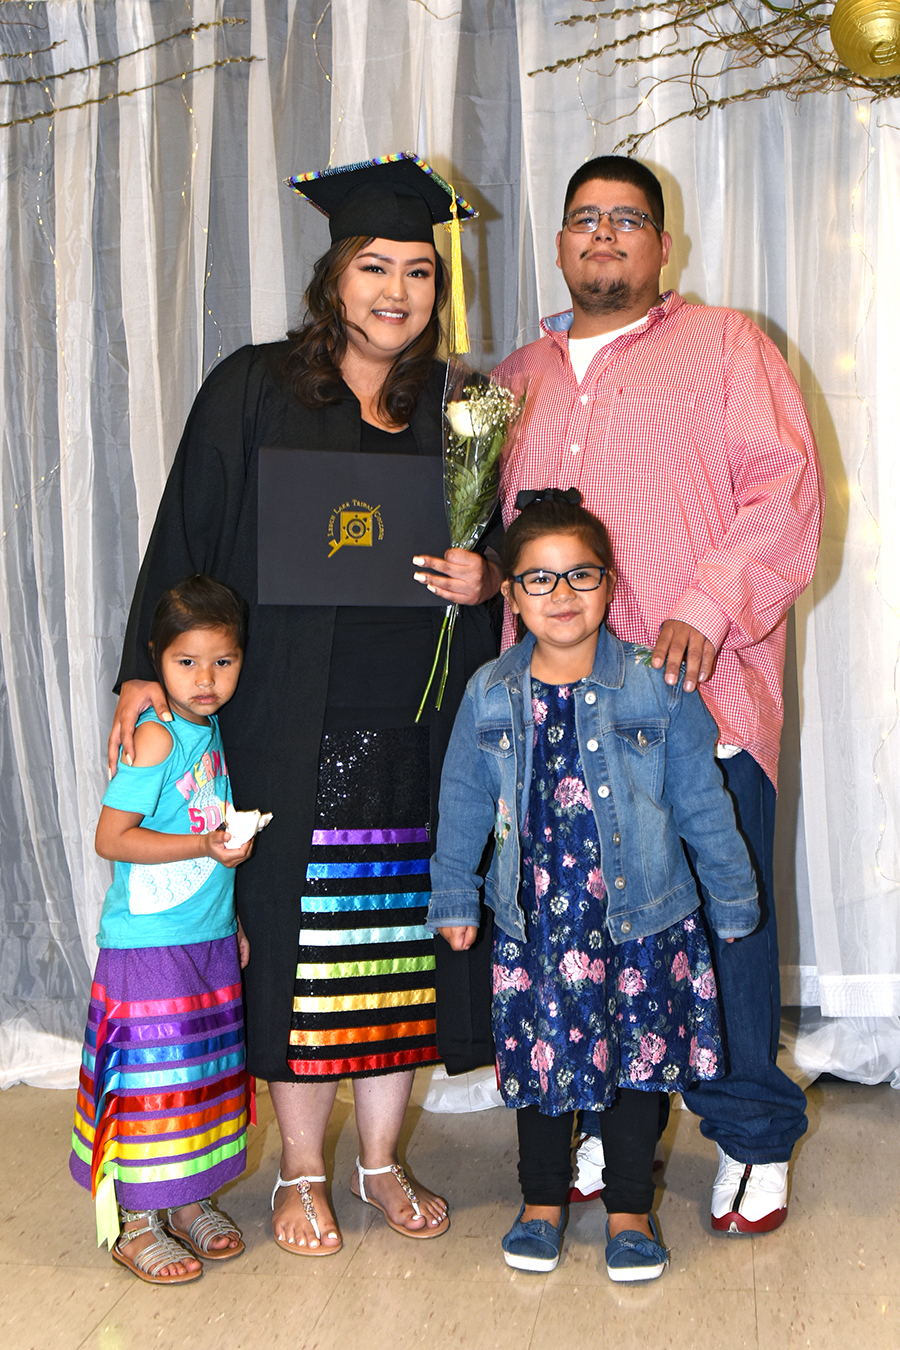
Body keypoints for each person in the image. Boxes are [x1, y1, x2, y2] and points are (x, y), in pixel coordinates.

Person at [106, 155, 501, 1256]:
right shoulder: (253, 387)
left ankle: (378, 1162)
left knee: (392, 948)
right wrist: (143, 673)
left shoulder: (461, 409)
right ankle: (300, 1169)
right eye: (374, 266)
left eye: (418, 271)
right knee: (297, 946)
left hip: (419, 722)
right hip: (287, 715)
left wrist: (487, 575)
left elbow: (496, 542)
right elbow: (185, 532)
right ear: (334, 278)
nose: (397, 291)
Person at [493, 155, 824, 1233]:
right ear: (560, 243)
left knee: (724, 922)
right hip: (559, 724)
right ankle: (602, 1120)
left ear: (662, 246)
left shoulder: (727, 347)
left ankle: (753, 1132)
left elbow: (785, 491)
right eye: (585, 218)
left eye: (627, 218)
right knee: (585, 935)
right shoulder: (514, 378)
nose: (604, 234)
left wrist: (707, 604)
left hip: (698, 704)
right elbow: (501, 542)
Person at [428, 489, 759, 1279]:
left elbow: (702, 800)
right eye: (538, 579)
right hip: (537, 924)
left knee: (638, 1066)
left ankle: (629, 1212)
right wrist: (453, 893)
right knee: (540, 1066)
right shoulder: (489, 690)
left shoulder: (657, 684)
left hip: (642, 920)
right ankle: (541, 1202)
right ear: (511, 595)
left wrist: (733, 894)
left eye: (581, 575)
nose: (562, 595)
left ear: (610, 583)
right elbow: (463, 799)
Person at [70, 574, 254, 1285]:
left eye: (222, 661)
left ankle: (186, 1199)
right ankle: (135, 1222)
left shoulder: (210, 731)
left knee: (198, 1074)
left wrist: (231, 919)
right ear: (156, 660)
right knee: (151, 1081)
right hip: (147, 945)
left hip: (205, 936)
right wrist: (202, 847)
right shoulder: (156, 738)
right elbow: (111, 837)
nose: (206, 679)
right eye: (186, 662)